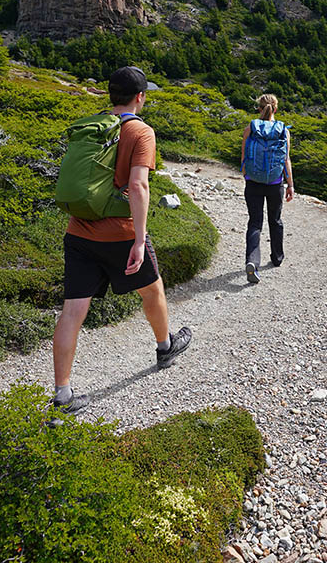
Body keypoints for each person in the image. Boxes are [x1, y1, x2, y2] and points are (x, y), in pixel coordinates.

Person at [51, 66, 191, 413]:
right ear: (140, 97)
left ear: (110, 94)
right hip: (120, 233)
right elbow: (139, 186)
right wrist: (140, 241)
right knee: (152, 288)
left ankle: (62, 395)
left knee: (72, 311)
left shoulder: (92, 126)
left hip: (78, 230)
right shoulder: (140, 132)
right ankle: (164, 346)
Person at [241, 94, 293, 284]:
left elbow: (244, 158)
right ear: (275, 109)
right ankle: (277, 257)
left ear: (259, 109)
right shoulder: (283, 131)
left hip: (253, 182)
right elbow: (286, 159)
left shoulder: (250, 128)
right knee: (275, 220)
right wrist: (290, 185)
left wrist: (247, 177)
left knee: (255, 222)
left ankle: (252, 262)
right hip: (275, 183)